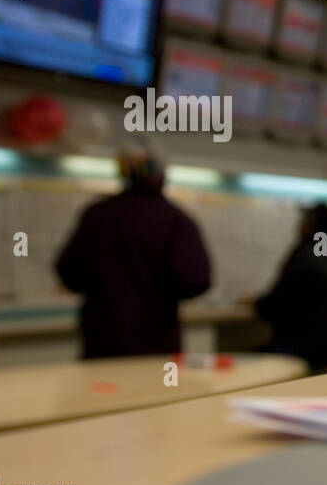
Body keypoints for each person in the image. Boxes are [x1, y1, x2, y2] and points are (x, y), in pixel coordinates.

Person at [55, 143, 211, 359]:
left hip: (103, 341)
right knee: (161, 392)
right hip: (158, 341)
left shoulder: (97, 216)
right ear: (162, 173)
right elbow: (196, 280)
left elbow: (70, 273)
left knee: (101, 392)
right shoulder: (176, 221)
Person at [255, 203, 327, 371]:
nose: (300, 224)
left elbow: (278, 303)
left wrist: (257, 305)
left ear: (312, 223)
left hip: (308, 345)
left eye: (305, 219)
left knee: (254, 360)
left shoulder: (309, 255)